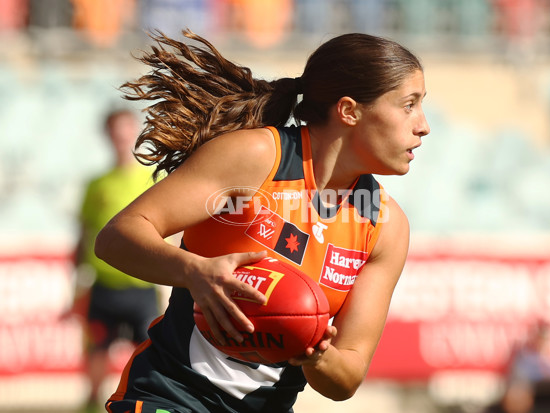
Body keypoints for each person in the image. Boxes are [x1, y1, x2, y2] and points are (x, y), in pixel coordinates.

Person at [94, 29, 430, 413]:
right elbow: (115, 237)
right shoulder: (256, 157)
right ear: (349, 110)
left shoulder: (386, 226)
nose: (423, 125)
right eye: (409, 105)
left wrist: (316, 352)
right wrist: (194, 271)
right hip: (171, 392)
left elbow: (347, 377)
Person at [75, 109, 160, 412]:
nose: (120, 136)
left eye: (125, 129)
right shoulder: (96, 184)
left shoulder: (154, 179)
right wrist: (74, 282)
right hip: (104, 285)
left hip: (142, 285)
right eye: (114, 130)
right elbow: (83, 233)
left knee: (149, 352)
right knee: (96, 351)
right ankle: (91, 404)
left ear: (134, 131)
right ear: (107, 135)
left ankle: (141, 403)